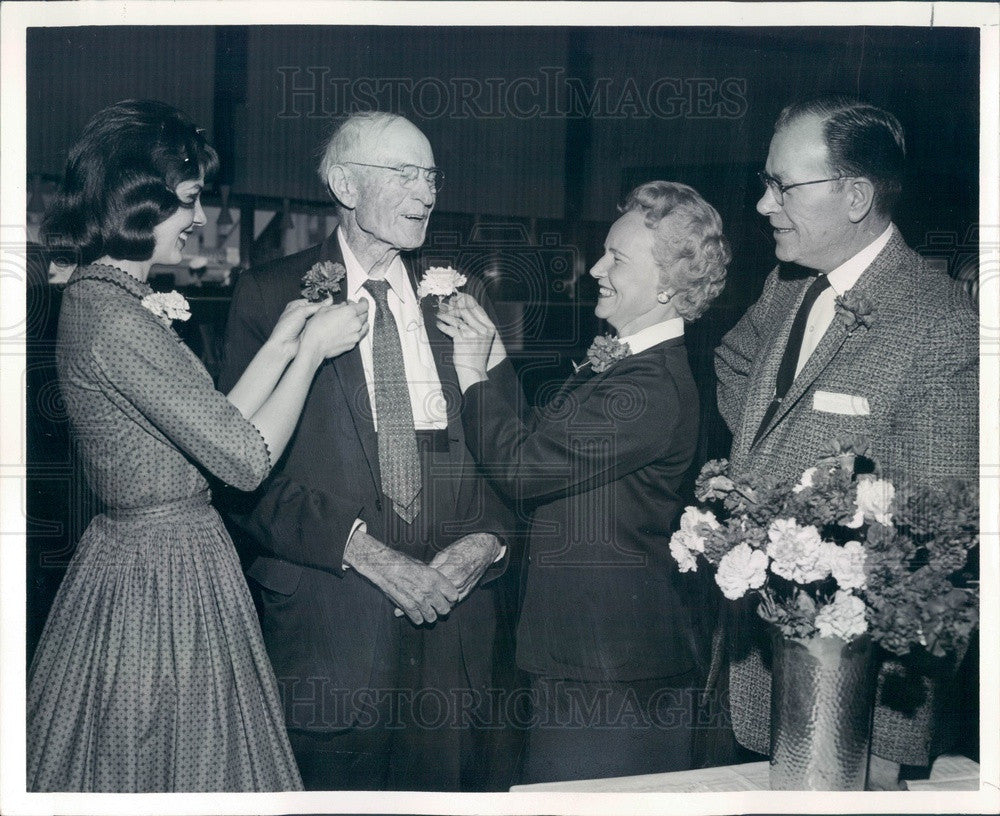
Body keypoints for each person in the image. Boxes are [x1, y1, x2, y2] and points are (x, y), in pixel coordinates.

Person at [27, 99, 369, 792]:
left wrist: (280, 345)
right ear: (138, 204)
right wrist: (312, 356)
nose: (200, 219)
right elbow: (244, 461)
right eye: (188, 200)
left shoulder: (105, 299)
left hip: (156, 555)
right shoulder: (117, 321)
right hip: (164, 573)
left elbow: (209, 434)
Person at [219, 111, 517, 791]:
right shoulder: (272, 297)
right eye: (405, 174)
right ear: (344, 185)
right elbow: (240, 477)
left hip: (456, 639)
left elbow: (511, 455)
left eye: (432, 176)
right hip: (332, 638)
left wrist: (488, 542)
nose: (428, 192)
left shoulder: (464, 299)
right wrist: (367, 552)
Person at [714, 96, 978, 788]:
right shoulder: (788, 285)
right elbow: (733, 363)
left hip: (861, 705)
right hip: (762, 666)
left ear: (856, 195)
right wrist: (764, 461)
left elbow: (937, 542)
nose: (764, 203)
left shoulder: (940, 323)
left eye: (783, 186)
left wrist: (883, 738)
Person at [436, 181, 731, 783]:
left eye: (616, 259)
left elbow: (523, 470)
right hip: (587, 653)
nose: (595, 268)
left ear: (670, 283)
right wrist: (491, 357)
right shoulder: (626, 363)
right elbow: (548, 449)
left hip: (615, 670)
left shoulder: (648, 389)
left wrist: (470, 373)